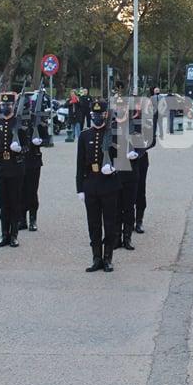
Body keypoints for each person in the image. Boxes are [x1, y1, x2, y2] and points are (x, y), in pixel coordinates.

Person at [76, 100, 120, 272]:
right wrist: (79, 188)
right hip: (91, 185)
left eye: (99, 115)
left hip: (109, 185)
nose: (96, 118)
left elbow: (123, 159)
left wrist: (114, 167)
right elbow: (80, 165)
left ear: (105, 115)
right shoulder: (85, 135)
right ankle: (96, 257)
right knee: (93, 224)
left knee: (109, 224)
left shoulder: (114, 134)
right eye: (94, 116)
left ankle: (108, 257)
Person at [0, 92, 28, 248]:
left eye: (8, 105)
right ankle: (4, 235)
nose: (5, 107)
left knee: (15, 202)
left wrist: (19, 149)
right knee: (3, 203)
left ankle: (14, 235)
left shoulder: (18, 122)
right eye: (3, 105)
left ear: (13, 106)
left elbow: (27, 146)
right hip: (1, 167)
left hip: (15, 167)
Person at [111, 96, 140, 251]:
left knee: (129, 206)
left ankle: (127, 237)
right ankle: (116, 238)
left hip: (131, 172)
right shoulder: (111, 126)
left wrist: (137, 153)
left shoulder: (135, 126)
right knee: (116, 206)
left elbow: (144, 144)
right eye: (119, 108)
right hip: (116, 171)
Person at [19, 90, 48, 232]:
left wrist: (40, 140)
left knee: (31, 191)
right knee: (20, 191)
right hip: (19, 160)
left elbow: (47, 139)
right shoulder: (16, 120)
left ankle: (33, 219)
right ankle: (21, 219)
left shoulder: (37, 119)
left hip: (34, 161)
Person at [131, 97, 156, 234]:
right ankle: (126, 220)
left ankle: (139, 220)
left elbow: (153, 141)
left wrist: (141, 149)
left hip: (140, 160)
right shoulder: (125, 119)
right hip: (125, 158)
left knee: (140, 190)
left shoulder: (147, 122)